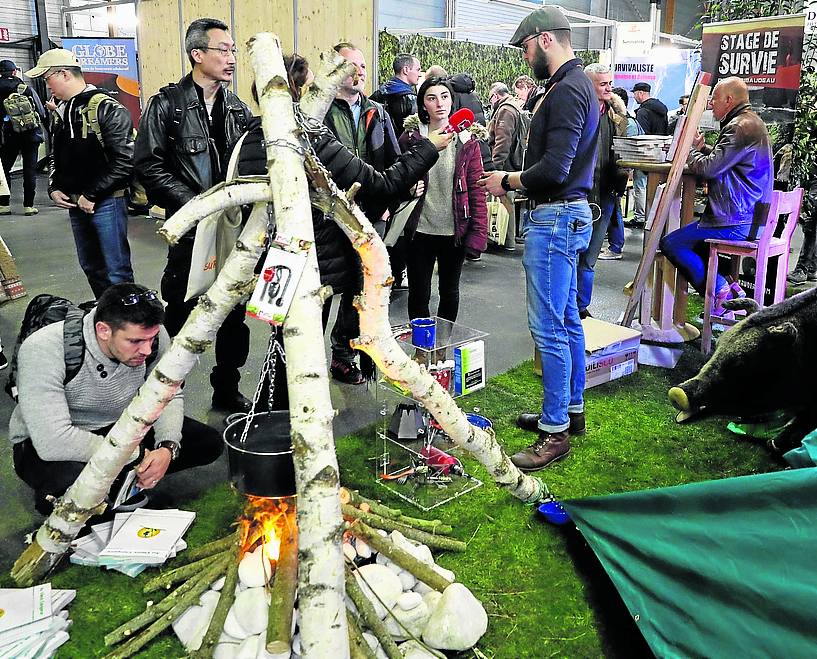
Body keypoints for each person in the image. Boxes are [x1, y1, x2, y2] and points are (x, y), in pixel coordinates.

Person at [237, 55, 446, 398]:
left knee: (286, 343)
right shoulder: (309, 135)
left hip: (278, 257)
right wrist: (428, 148)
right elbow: (378, 181)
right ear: (301, 91)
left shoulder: (250, 136)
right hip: (311, 258)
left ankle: (276, 411)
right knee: (301, 343)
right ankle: (290, 417)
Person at [480, 6, 599, 470]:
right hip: (569, 216)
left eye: (527, 47)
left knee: (549, 327)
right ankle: (570, 412)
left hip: (556, 218)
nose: (525, 56)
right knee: (566, 319)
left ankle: (555, 431)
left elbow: (555, 169)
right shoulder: (576, 86)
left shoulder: (567, 90)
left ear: (546, 40)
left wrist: (506, 180)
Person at [9, 283, 223, 516]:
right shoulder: (45, 349)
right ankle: (119, 478)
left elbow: (169, 393)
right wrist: (138, 455)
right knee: (65, 492)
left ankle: (123, 478)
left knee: (208, 443)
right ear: (103, 331)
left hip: (122, 424)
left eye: (150, 340)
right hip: (56, 439)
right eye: (135, 342)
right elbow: (53, 441)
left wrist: (167, 447)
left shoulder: (152, 334)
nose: (146, 350)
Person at [134, 18, 253, 413]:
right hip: (190, 231)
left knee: (234, 314)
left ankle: (226, 389)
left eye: (233, 50)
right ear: (196, 54)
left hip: (233, 230)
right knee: (182, 312)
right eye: (223, 49)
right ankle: (163, 393)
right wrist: (199, 204)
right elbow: (148, 166)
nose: (231, 58)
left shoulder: (238, 109)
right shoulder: (166, 105)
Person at [323, 42, 404, 384]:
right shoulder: (321, 111)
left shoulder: (378, 112)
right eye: (350, 65)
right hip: (326, 215)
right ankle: (309, 357)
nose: (358, 71)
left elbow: (393, 159)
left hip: (369, 215)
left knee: (362, 286)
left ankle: (346, 352)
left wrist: (391, 199)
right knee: (324, 287)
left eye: (362, 65)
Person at [25, 49, 135, 298]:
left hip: (106, 202)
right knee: (92, 267)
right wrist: (53, 187)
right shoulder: (61, 113)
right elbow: (55, 155)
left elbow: (125, 161)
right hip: (76, 204)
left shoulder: (107, 108)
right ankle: (106, 318)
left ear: (63, 74)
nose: (46, 85)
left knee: (116, 271)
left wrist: (91, 194)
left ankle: (129, 325)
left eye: (46, 78)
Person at [660, 77, 773, 316]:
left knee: (671, 243)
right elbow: (731, 161)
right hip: (749, 216)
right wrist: (702, 148)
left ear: (729, 100)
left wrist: (688, 148)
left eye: (715, 99)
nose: (711, 104)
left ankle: (721, 292)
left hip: (736, 220)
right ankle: (731, 288)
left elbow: (709, 169)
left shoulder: (738, 126)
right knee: (694, 239)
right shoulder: (751, 122)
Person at [399, 77, 487, 324]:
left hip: (454, 232)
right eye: (431, 98)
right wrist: (408, 188)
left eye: (445, 96)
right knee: (419, 295)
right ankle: (422, 349)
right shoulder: (410, 139)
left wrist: (477, 234)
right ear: (423, 104)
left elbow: (477, 190)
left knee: (450, 293)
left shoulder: (467, 142)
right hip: (419, 230)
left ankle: (442, 350)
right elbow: (396, 178)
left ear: (452, 100)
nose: (440, 103)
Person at [576, 64, 628, 319]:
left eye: (610, 83)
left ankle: (581, 308)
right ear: (589, 86)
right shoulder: (576, 114)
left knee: (589, 258)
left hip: (606, 194)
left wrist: (621, 181)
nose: (609, 88)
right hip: (576, 196)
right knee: (571, 256)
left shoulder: (617, 118)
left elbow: (623, 155)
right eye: (603, 83)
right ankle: (568, 309)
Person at [0, 59, 46, 216]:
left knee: (4, 169)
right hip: (30, 135)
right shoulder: (25, 88)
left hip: (8, 136)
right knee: (30, 169)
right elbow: (41, 111)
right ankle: (28, 206)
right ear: (14, 72)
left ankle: (4, 205)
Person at [599, 86, 640, 260]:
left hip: (613, 172)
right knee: (613, 208)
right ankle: (615, 245)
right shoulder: (627, 121)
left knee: (610, 210)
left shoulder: (620, 123)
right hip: (616, 172)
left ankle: (615, 247)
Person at [487, 81, 525, 251]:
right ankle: (505, 239)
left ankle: (506, 240)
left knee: (505, 200)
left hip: (506, 165)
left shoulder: (505, 110)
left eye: (490, 98)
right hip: (512, 162)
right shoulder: (513, 107)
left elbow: (503, 141)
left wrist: (496, 166)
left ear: (495, 96)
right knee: (506, 201)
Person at [629, 82, 669, 229]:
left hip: (645, 153)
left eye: (635, 93)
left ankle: (640, 217)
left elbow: (641, 134)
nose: (634, 96)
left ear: (640, 93)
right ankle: (652, 216)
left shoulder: (643, 112)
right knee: (655, 186)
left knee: (640, 185)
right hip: (659, 153)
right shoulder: (662, 110)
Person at [371, 53, 421, 136]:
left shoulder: (377, 95)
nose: (419, 74)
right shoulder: (412, 100)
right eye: (418, 70)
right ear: (406, 70)